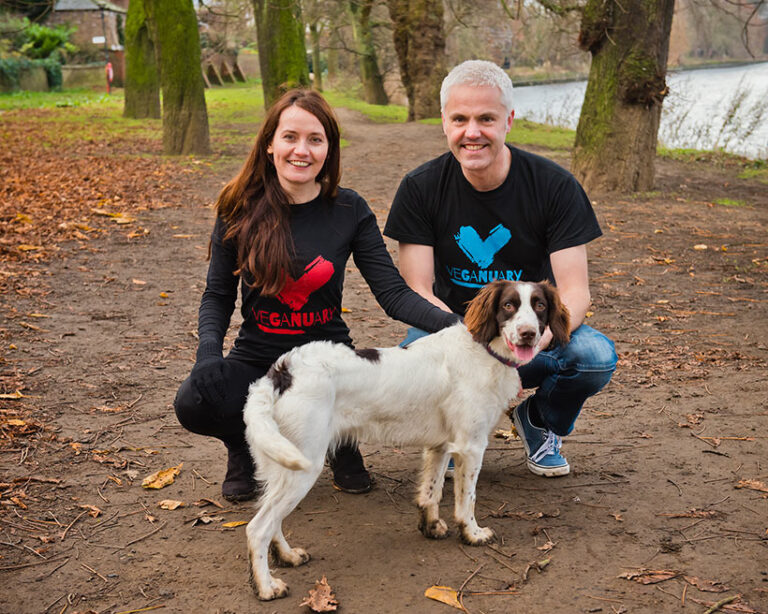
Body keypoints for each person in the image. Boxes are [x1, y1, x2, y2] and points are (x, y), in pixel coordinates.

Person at [174, 89, 460, 502]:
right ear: (270, 143)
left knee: (360, 384)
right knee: (195, 399)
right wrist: (208, 358)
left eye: (315, 139)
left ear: (329, 148)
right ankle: (243, 449)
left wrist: (459, 328)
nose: (301, 150)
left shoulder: (350, 210)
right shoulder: (238, 207)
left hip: (329, 363)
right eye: (290, 137)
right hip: (257, 358)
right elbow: (217, 294)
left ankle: (340, 441)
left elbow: (393, 294)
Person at [384, 60, 617, 478]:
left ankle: (540, 421)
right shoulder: (420, 188)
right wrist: (470, 343)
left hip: (531, 332)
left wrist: (536, 341)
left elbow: (576, 292)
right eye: (460, 119)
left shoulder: (555, 187)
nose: (472, 132)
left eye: (486, 119)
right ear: (444, 122)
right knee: (408, 366)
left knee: (594, 357)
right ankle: (453, 434)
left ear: (509, 119)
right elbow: (416, 288)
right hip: (455, 328)